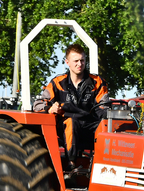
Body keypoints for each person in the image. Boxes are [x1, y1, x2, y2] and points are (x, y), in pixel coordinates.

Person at [36, 43, 109, 171]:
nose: (79, 64)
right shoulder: (57, 83)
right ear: (67, 62)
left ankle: (104, 166)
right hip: (67, 126)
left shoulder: (97, 82)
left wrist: (104, 115)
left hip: (90, 124)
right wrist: (51, 109)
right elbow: (38, 105)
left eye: (82, 60)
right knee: (71, 122)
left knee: (107, 124)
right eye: (76, 61)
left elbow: (104, 108)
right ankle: (71, 165)